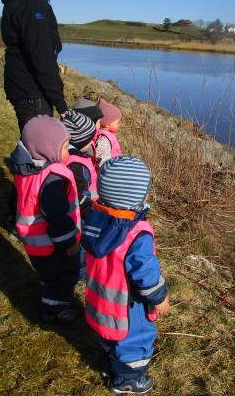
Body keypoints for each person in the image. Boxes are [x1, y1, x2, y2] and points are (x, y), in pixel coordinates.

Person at [82, 156, 170, 393]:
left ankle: (110, 365)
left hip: (100, 298)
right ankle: (127, 380)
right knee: (136, 340)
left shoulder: (94, 219)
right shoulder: (136, 234)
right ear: (136, 197)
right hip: (128, 306)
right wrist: (159, 297)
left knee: (109, 337)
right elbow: (145, 272)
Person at [10, 115, 81, 324]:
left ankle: (48, 292)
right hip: (53, 245)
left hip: (35, 243)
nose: (69, 151)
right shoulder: (52, 179)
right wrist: (70, 244)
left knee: (48, 275)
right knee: (62, 279)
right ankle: (54, 310)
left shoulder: (27, 168)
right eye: (66, 146)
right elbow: (57, 218)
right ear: (48, 149)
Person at [0, 0, 67, 133]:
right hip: (31, 90)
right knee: (40, 153)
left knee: (33, 145)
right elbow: (41, 56)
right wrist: (61, 106)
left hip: (21, 86)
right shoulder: (34, 4)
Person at [62, 110, 98, 216]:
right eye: (89, 140)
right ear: (80, 141)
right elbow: (80, 197)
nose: (92, 142)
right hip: (85, 210)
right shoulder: (77, 166)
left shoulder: (70, 156)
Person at [94, 98, 123, 166]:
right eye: (117, 123)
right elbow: (103, 163)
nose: (120, 124)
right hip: (110, 172)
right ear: (107, 125)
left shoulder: (108, 134)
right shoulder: (104, 140)